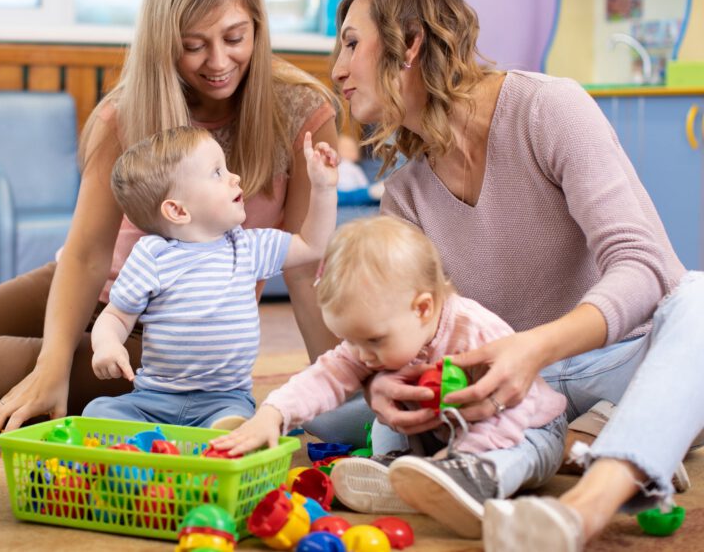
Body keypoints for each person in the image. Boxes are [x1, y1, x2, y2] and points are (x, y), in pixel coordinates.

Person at [330, 0, 703, 551]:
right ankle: (606, 433)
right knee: (329, 418)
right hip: (504, 389)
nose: (339, 70)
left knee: (700, 298)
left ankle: (588, 503)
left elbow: (644, 265)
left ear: (410, 43)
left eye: (351, 44)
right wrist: (384, 384)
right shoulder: (405, 195)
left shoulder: (547, 108)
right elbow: (408, 326)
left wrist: (535, 347)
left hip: (615, 357)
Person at [0, 0, 344, 444]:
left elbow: (305, 268)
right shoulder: (127, 112)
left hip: (164, 338)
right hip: (92, 290)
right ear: (162, 41)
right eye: (194, 45)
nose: (218, 61)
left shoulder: (302, 111)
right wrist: (54, 364)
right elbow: (88, 254)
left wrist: (335, 389)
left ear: (258, 30)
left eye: (234, 37)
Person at [211, 216, 567, 539]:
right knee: (386, 414)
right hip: (442, 431)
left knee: (521, 451)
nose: (361, 354)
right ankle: (393, 468)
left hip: (524, 426)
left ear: (423, 308)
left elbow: (518, 406)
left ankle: (478, 477)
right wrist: (272, 414)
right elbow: (325, 375)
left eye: (373, 341)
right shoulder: (379, 332)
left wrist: (466, 453)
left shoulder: (477, 333)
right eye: (350, 340)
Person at [85, 125, 338, 428]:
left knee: (234, 422)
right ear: (178, 211)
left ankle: (209, 438)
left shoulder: (246, 246)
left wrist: (323, 190)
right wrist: (107, 345)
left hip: (225, 399)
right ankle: (169, 446)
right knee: (99, 411)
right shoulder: (152, 254)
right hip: (154, 398)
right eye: (217, 172)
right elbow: (116, 316)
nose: (235, 177)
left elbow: (313, 245)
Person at [335, 133, 383, 205]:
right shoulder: (337, 166)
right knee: (366, 193)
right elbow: (364, 184)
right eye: (347, 149)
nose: (351, 152)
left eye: (352, 149)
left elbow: (363, 184)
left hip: (350, 191)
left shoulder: (355, 168)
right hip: (341, 191)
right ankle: (374, 193)